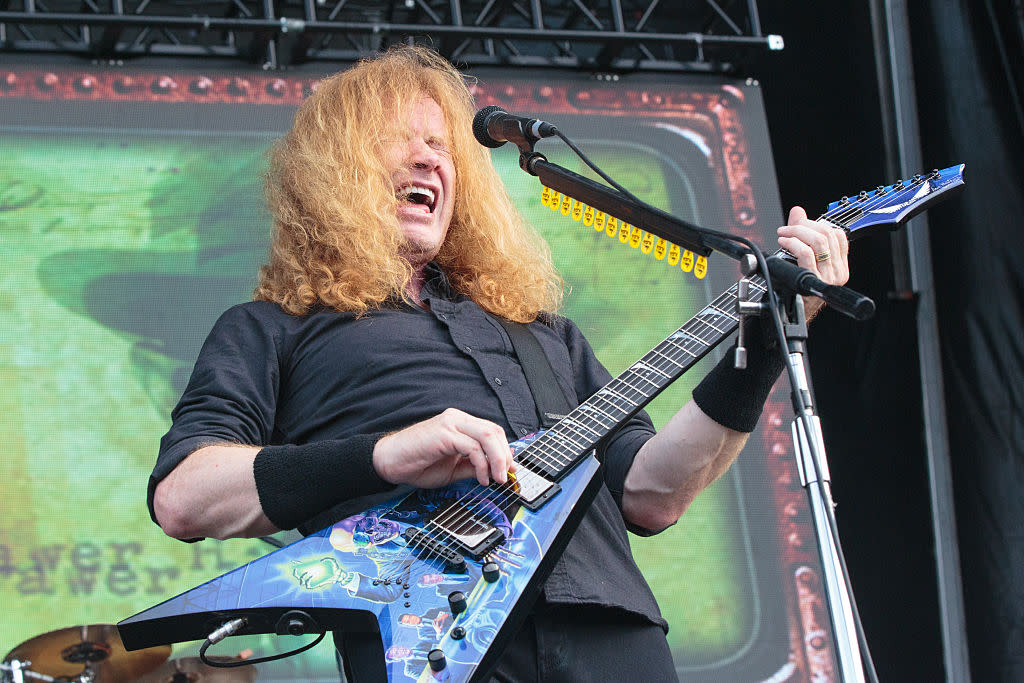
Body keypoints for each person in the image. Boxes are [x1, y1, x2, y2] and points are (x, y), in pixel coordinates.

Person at [149, 45, 850, 682]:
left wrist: (760, 351)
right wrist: (387, 456)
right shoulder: (272, 328)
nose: (430, 160)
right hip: (437, 643)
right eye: (400, 140)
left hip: (614, 635)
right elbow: (184, 496)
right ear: (335, 169)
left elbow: (653, 492)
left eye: (442, 144)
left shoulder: (547, 335)